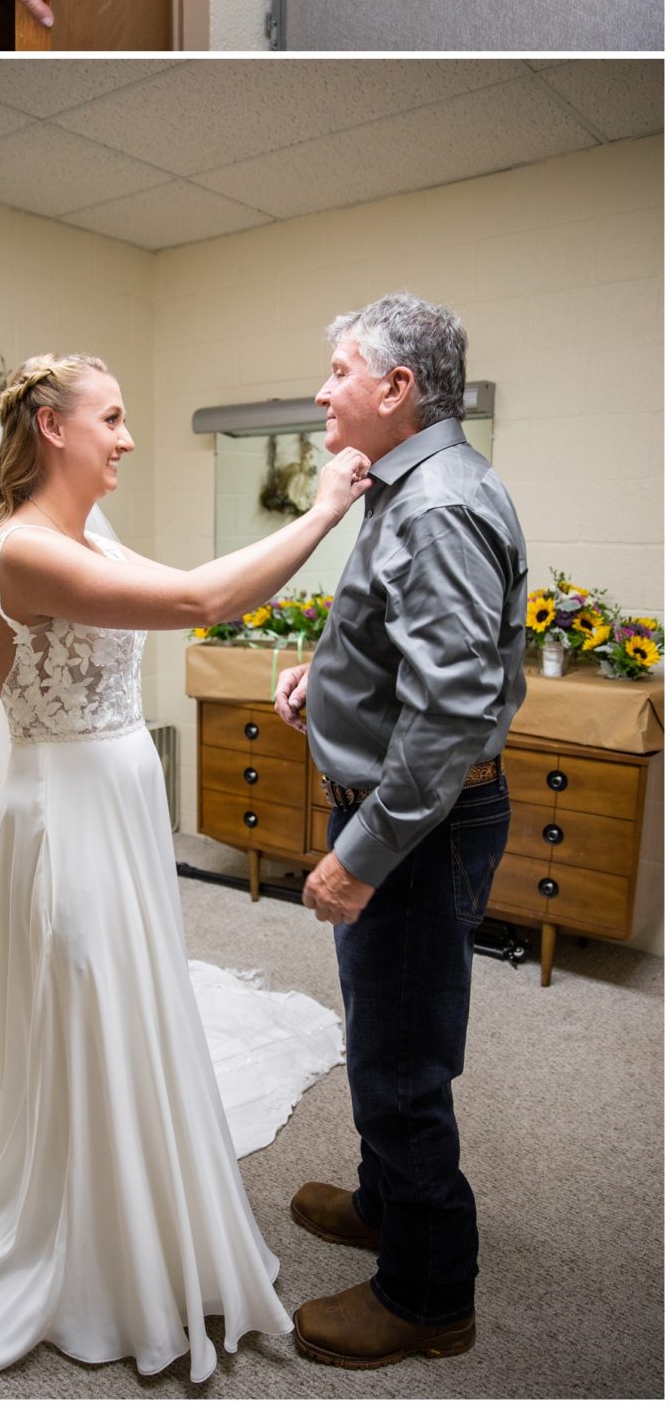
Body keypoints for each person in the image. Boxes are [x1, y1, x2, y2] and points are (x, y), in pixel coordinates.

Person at [0, 354, 370, 1381]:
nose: (128, 437)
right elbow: (193, 598)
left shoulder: (85, 532)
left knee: (129, 997)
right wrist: (319, 513)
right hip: (68, 805)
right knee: (89, 998)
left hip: (119, 794)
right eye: (113, 416)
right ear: (52, 428)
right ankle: (94, 1245)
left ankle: (132, 1202)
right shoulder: (20, 551)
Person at [274, 294, 526, 1370]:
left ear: (397, 389)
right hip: (413, 806)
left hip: (416, 826)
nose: (323, 390)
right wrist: (323, 678)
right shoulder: (415, 487)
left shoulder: (436, 507)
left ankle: (428, 1297)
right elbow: (405, 654)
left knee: (400, 1061)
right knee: (386, 1028)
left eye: (338, 371)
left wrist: (357, 855)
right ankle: (387, 1202)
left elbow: (451, 714)